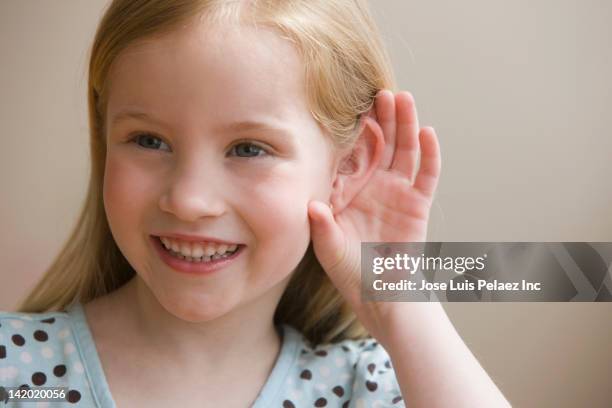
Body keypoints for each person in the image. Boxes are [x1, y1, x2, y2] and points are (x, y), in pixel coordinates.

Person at [0, 0, 510, 406]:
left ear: (349, 165)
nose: (189, 199)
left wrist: (397, 298)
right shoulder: (15, 372)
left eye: (248, 149)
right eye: (149, 141)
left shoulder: (368, 387)